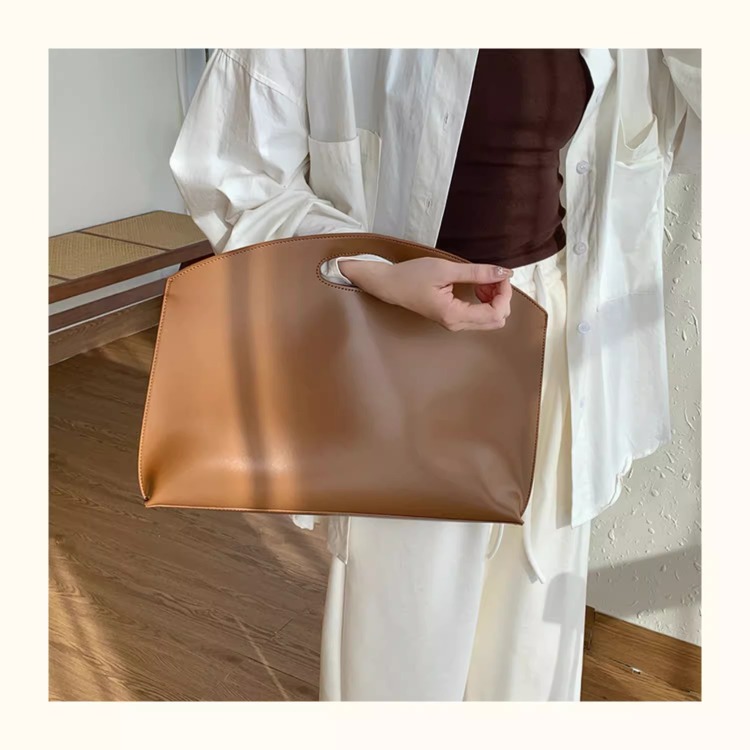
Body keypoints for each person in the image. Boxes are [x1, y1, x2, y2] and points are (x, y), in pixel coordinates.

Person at [168, 48, 701, 701]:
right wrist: (372, 267)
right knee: (401, 653)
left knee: (528, 657)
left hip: (561, 347)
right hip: (400, 344)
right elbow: (231, 170)